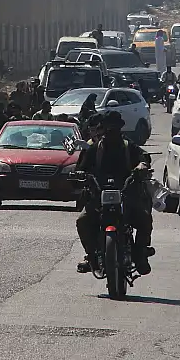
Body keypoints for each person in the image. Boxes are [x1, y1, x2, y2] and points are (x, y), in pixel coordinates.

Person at [75, 112, 154, 275]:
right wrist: (80, 174)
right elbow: (80, 167)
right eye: (108, 128)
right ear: (102, 130)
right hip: (99, 196)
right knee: (82, 221)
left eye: (114, 127)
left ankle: (140, 255)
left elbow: (143, 156)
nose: (111, 132)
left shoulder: (127, 146)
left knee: (145, 218)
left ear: (120, 128)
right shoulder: (94, 149)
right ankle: (91, 256)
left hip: (126, 194)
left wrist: (142, 165)